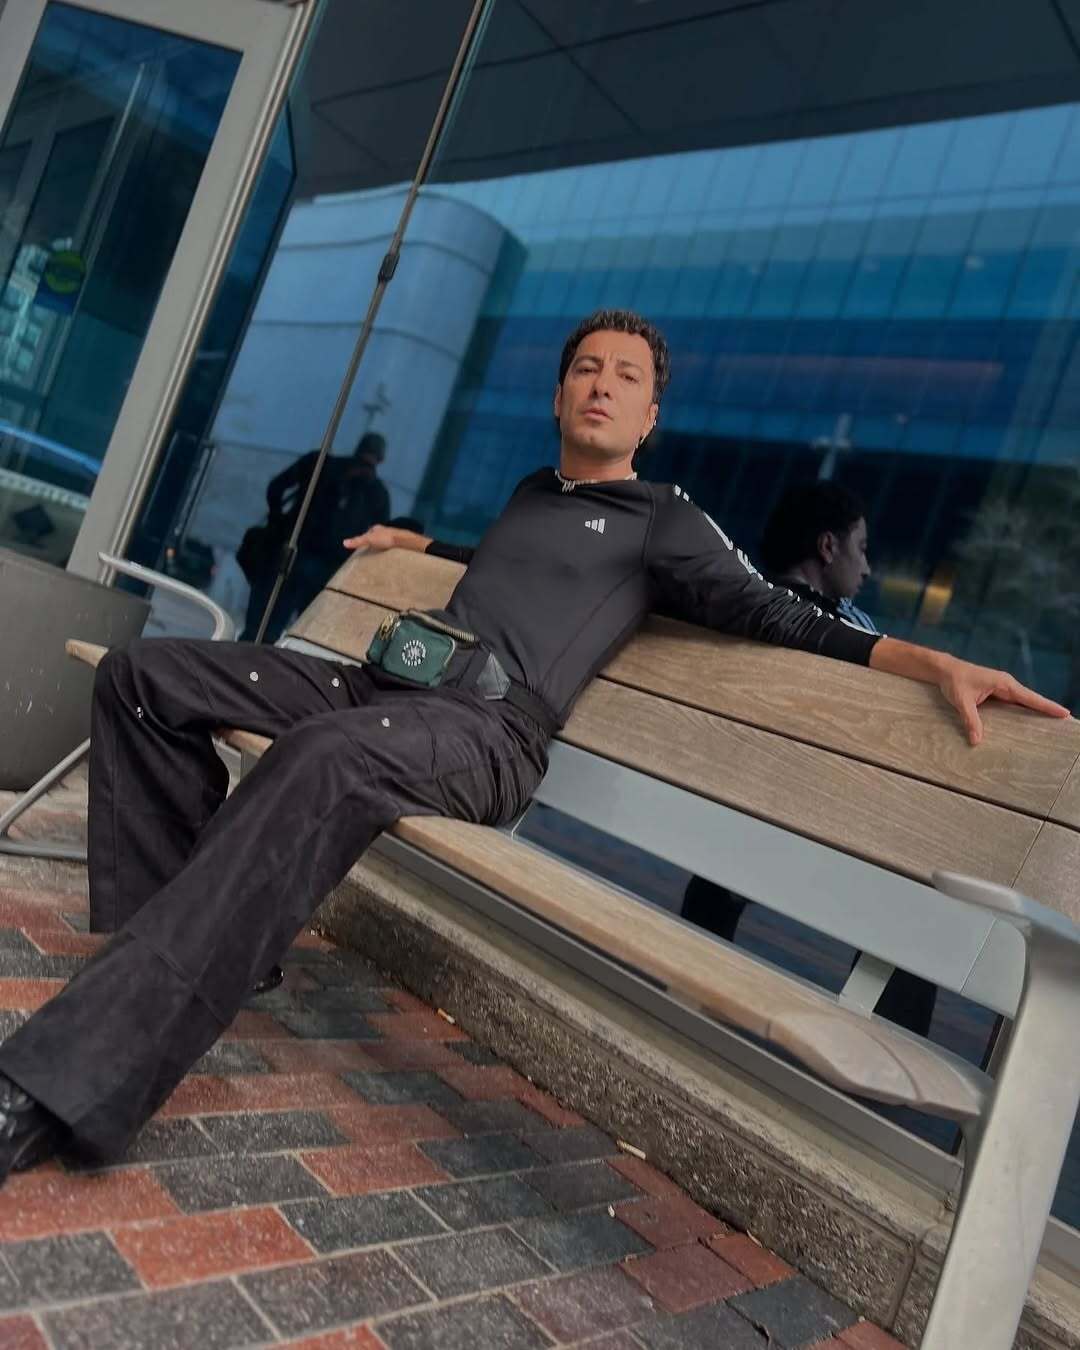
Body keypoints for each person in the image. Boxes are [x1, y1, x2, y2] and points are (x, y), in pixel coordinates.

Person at [0, 309, 1068, 1183]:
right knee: (147, 678)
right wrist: (420, 543)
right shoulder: (532, 494)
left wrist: (927, 660)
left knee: (320, 761)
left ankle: (70, 1074)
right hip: (387, 688)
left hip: (486, 734)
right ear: (560, 397)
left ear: (650, 414)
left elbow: (778, 612)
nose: (602, 384)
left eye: (626, 376)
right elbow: (511, 560)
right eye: (586, 370)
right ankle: (190, 955)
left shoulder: (663, 519)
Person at [680, 481, 937, 1036]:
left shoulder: (743, 605)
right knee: (920, 904)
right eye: (860, 549)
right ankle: (888, 1050)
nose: (867, 567)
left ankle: (693, 981)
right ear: (827, 547)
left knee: (731, 852)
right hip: (811, 823)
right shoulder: (840, 630)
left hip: (729, 809)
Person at [239, 432, 391, 642]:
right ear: (380, 459)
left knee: (262, 628)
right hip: (317, 567)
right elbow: (379, 537)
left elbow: (276, 488)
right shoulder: (375, 492)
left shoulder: (321, 465)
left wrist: (279, 523)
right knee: (294, 635)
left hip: (293, 555)